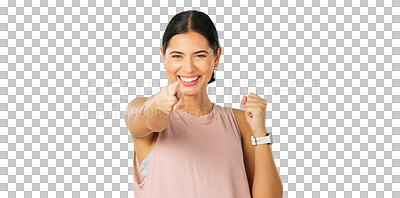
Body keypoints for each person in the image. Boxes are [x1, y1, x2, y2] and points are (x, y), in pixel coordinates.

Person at [124, 10, 283, 198]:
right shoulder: (142, 109)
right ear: (163, 56)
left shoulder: (240, 122)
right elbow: (150, 119)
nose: (189, 67)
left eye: (199, 55)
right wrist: (159, 103)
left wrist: (259, 133)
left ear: (216, 57)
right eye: (177, 56)